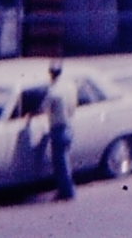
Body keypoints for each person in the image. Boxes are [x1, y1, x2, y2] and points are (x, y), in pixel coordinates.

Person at [39, 62, 78, 199]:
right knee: (65, 160)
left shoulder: (53, 91)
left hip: (58, 128)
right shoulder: (69, 86)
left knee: (61, 163)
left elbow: (43, 109)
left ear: (51, 73)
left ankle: (67, 192)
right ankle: (67, 190)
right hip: (69, 125)